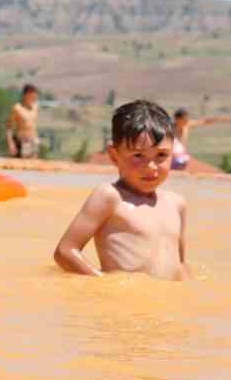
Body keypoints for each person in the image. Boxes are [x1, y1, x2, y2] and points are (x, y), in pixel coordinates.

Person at [53, 100, 189, 281]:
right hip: (124, 306)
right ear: (114, 155)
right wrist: (105, 284)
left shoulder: (177, 204)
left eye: (161, 155)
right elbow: (65, 251)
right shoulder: (110, 197)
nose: (150, 167)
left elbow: (180, 264)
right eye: (138, 155)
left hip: (166, 307)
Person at [4, 84, 40, 158]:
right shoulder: (17, 108)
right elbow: (8, 127)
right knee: (21, 166)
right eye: (33, 95)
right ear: (26, 95)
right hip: (21, 142)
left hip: (33, 142)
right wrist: (10, 143)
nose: (35, 97)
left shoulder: (35, 107)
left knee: (33, 166)